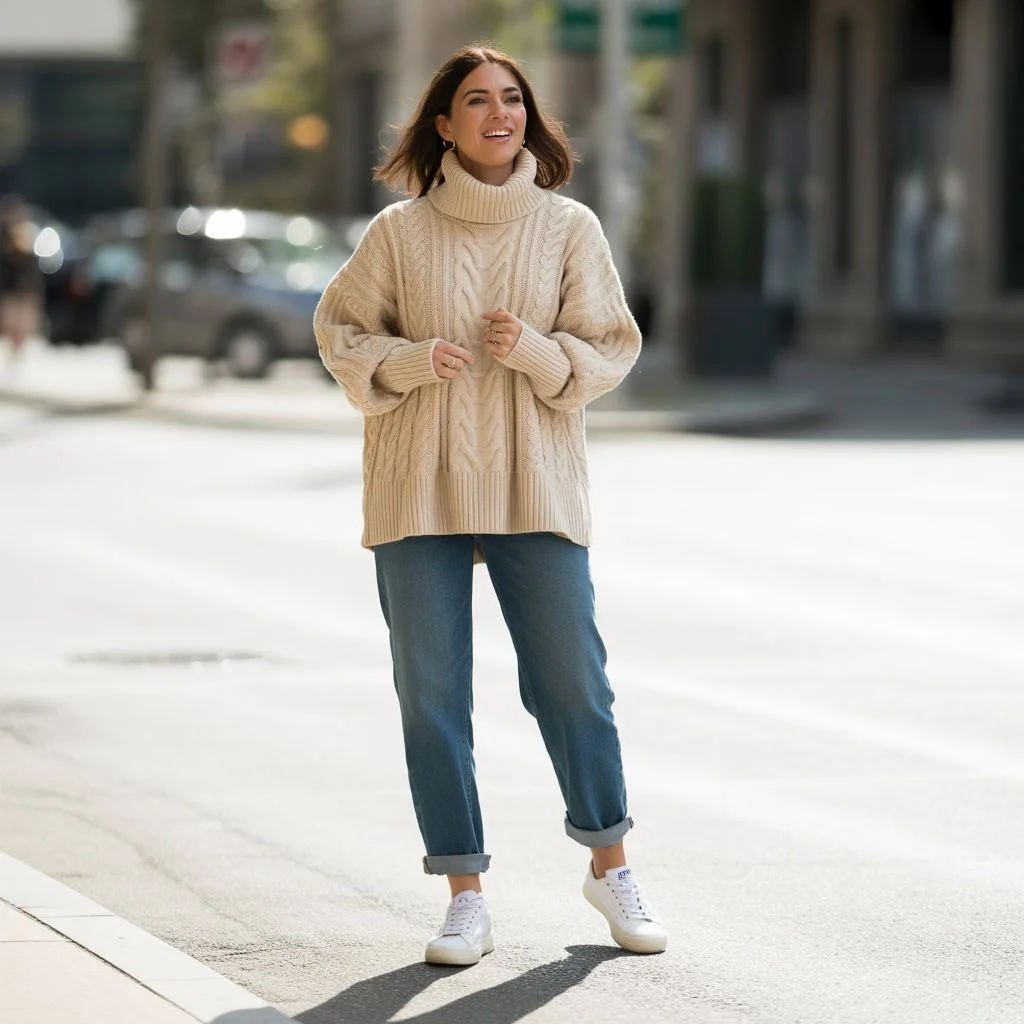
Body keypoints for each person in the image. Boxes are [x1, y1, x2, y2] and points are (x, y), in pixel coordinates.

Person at [313, 44, 667, 966]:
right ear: (444, 123)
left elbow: (612, 346)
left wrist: (539, 353)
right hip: (415, 483)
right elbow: (339, 330)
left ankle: (609, 864)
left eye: (512, 99)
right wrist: (404, 359)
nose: (498, 113)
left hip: (534, 479)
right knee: (431, 696)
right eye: (477, 100)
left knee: (572, 684)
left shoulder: (568, 227)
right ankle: (465, 894)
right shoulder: (396, 234)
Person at [0, 197, 41, 357]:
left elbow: (31, 271)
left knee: (21, 322)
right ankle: (14, 348)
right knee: (11, 321)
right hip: (11, 290)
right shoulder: (5, 241)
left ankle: (17, 349)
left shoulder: (28, 239)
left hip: (23, 291)